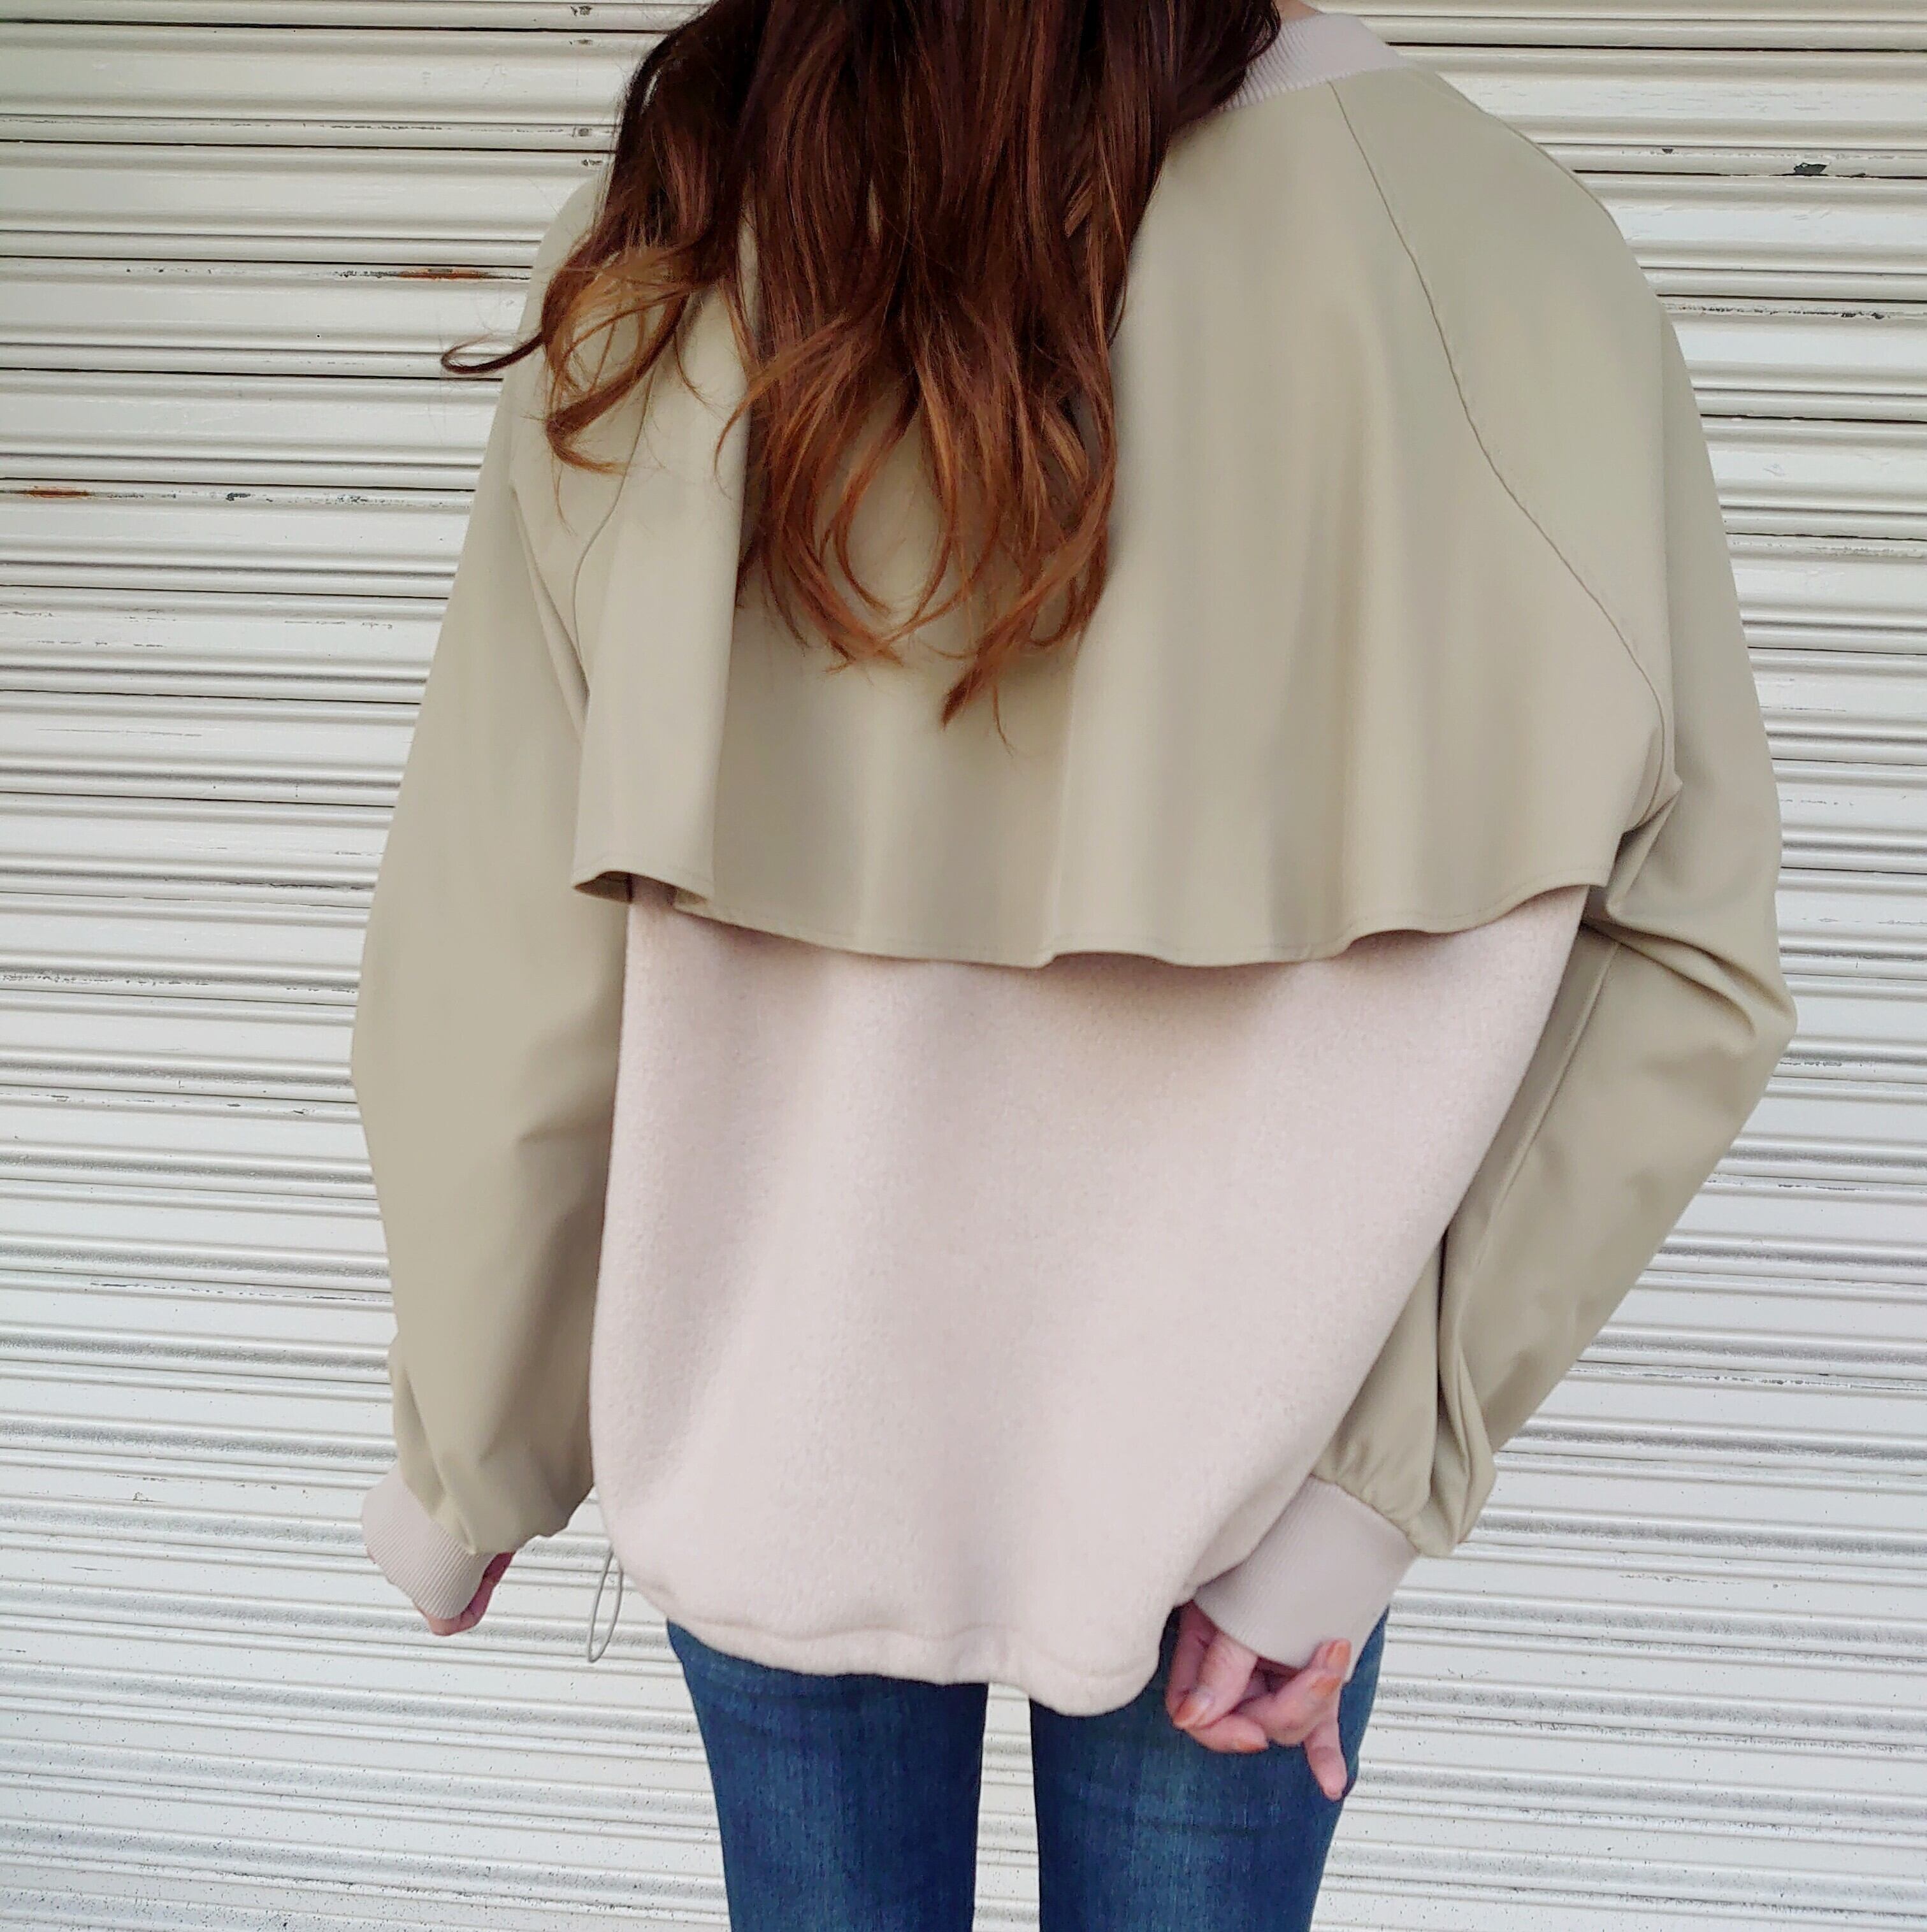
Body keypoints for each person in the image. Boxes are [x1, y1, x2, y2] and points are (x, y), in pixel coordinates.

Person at [348, 1, 1798, 1924]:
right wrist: (1365, 1491)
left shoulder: (697, 229)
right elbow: (1686, 950)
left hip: (779, 1431)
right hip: (1245, 1504)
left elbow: (509, 973)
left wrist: (473, 1450)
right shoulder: (1507, 246)